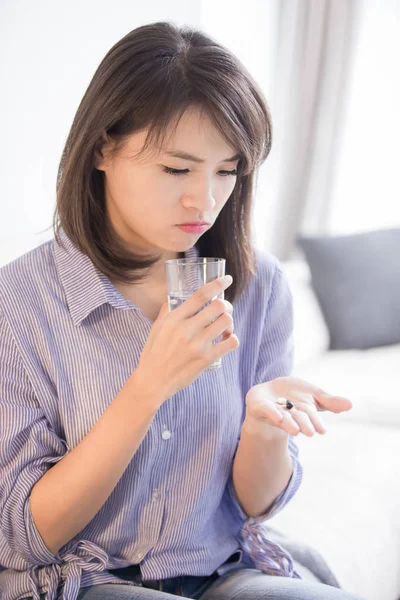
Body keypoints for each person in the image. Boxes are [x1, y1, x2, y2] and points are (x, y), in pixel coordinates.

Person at [0, 21, 365, 600]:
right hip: (84, 580)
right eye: (177, 169)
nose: (206, 199)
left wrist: (263, 429)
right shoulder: (20, 302)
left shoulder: (260, 285)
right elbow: (21, 537)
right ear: (102, 147)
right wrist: (148, 386)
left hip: (223, 570)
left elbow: (254, 506)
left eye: (227, 170)